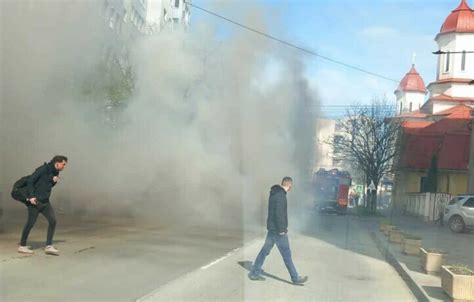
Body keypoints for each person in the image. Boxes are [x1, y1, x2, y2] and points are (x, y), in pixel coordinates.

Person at [248, 176, 308, 285]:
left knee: (264, 251)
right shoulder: (281, 196)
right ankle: (295, 278)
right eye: (291, 186)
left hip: (272, 229)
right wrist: (282, 230)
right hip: (278, 231)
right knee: (287, 255)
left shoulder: (274, 192)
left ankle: (255, 272)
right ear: (289, 185)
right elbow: (279, 214)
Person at [17, 155, 68, 255]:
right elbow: (30, 181)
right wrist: (31, 196)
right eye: (64, 164)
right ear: (57, 163)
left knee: (53, 220)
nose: (64, 167)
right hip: (35, 201)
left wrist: (54, 182)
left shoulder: (55, 172)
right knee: (30, 223)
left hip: (45, 201)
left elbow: (48, 185)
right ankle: (22, 246)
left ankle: (49, 246)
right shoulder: (43, 169)